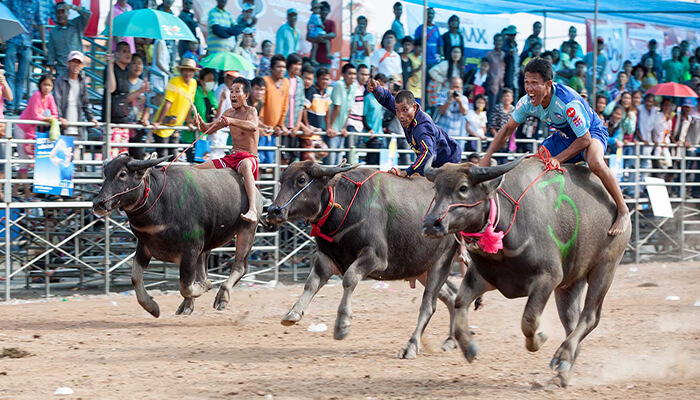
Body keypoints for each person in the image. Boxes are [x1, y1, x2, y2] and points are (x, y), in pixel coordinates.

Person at [482, 57, 630, 236]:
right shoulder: (526, 102)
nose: (529, 88)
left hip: (591, 132)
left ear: (548, 84)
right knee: (534, 164)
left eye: (535, 83)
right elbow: (507, 130)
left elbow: (584, 139)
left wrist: (557, 159)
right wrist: (487, 156)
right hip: (564, 135)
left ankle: (623, 210)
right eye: (526, 82)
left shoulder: (568, 103)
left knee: (595, 162)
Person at [366, 76, 461, 177]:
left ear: (414, 107)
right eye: (397, 111)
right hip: (431, 162)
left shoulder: (422, 127)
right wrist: (376, 89)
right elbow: (388, 98)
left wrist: (406, 172)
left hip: (448, 161)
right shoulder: (404, 113)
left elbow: (428, 154)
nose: (401, 116)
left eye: (405, 110)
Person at [195, 77, 260, 223]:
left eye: (237, 91)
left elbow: (253, 126)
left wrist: (230, 121)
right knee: (196, 169)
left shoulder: (251, 111)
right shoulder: (229, 112)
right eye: (231, 91)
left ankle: (252, 210)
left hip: (249, 157)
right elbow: (208, 130)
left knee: (245, 164)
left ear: (246, 95)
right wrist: (200, 123)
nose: (233, 95)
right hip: (231, 158)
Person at [15, 75, 58, 198]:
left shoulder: (49, 97)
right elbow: (35, 116)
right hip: (23, 129)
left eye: (49, 85)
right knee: (25, 161)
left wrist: (51, 118)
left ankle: (15, 189)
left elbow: (55, 112)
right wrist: (49, 118)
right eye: (44, 84)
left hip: (31, 131)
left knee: (27, 161)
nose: (46, 88)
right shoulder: (36, 95)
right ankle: (27, 192)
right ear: (40, 85)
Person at [152, 58, 199, 158]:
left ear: (193, 72)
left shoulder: (193, 84)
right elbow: (168, 102)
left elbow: (189, 104)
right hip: (164, 125)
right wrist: (158, 122)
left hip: (176, 126)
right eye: (185, 70)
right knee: (163, 158)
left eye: (190, 70)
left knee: (173, 157)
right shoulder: (174, 81)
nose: (187, 73)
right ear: (181, 71)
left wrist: (188, 121)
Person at [4, 0, 41, 114]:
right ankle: (10, 105)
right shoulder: (13, 1)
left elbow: (40, 22)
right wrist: (3, 37)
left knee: (22, 76)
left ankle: (17, 105)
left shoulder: (36, 3)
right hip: (12, 40)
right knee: (9, 74)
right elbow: (4, 15)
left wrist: (44, 44)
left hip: (27, 43)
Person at [53, 51, 98, 141]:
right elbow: (56, 101)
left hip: (77, 127)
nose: (76, 65)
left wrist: (91, 118)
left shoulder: (82, 83)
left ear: (82, 66)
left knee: (77, 153)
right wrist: (60, 117)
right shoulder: (60, 80)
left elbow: (85, 104)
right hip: (63, 126)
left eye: (79, 63)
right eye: (74, 62)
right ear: (68, 63)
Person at [181, 68, 218, 162]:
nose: (211, 82)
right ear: (201, 81)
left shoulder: (211, 94)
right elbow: (187, 106)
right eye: (208, 79)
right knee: (191, 165)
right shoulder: (195, 93)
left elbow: (215, 110)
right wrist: (189, 121)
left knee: (201, 164)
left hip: (204, 136)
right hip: (191, 136)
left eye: (212, 79)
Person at [46, 2, 92, 77]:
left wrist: (72, 7)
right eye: (58, 13)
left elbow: (87, 14)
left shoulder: (77, 24)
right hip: (61, 71)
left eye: (63, 12)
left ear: (67, 13)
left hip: (77, 69)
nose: (60, 15)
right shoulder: (53, 32)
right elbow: (51, 53)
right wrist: (50, 73)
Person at [327, 63, 358, 165]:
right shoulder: (339, 85)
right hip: (333, 127)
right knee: (331, 160)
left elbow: (349, 109)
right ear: (343, 74)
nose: (352, 76)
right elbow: (336, 107)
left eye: (354, 74)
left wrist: (344, 127)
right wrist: (330, 127)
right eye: (349, 73)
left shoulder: (353, 87)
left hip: (340, 129)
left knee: (338, 160)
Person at [261, 55, 290, 163]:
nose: (282, 69)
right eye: (279, 66)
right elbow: (261, 104)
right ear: (272, 68)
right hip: (263, 128)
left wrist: (280, 124)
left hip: (275, 130)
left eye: (284, 67)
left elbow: (284, 105)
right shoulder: (266, 81)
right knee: (259, 160)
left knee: (270, 160)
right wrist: (262, 123)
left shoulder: (286, 83)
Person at [303, 67, 333, 162]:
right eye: (323, 79)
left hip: (317, 134)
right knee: (309, 158)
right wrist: (307, 125)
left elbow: (327, 110)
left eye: (327, 79)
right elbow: (304, 108)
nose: (325, 82)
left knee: (324, 152)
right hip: (309, 134)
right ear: (318, 79)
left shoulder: (326, 93)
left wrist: (328, 127)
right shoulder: (311, 91)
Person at [126, 54, 152, 160]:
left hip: (138, 129)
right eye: (134, 63)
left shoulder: (144, 84)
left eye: (140, 63)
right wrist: (140, 91)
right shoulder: (124, 82)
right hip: (125, 127)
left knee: (137, 160)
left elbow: (148, 105)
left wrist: (145, 118)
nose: (137, 66)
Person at [103, 42, 133, 129]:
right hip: (111, 119)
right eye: (124, 51)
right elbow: (111, 88)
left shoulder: (127, 71)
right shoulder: (110, 68)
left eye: (129, 51)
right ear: (117, 54)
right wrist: (111, 65)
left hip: (123, 118)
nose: (128, 54)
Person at [436, 76, 469, 151]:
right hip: (444, 132)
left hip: (457, 134)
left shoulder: (464, 99)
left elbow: (464, 113)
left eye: (457, 87)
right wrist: (449, 100)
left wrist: (459, 102)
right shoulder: (443, 95)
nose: (455, 89)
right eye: (453, 87)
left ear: (461, 88)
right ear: (450, 86)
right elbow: (441, 111)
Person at [308, 1, 336, 68]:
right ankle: (313, 59)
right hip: (315, 59)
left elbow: (333, 35)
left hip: (326, 60)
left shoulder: (331, 23)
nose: (324, 12)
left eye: (326, 10)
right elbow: (308, 36)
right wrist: (316, 38)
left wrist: (323, 36)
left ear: (329, 11)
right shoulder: (314, 20)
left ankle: (328, 54)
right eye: (322, 10)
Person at [488, 88, 515, 155]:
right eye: (504, 96)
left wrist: (506, 137)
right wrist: (498, 138)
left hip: (508, 139)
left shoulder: (514, 110)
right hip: (496, 138)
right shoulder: (496, 108)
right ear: (501, 98)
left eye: (508, 96)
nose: (506, 98)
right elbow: (492, 125)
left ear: (512, 99)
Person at [0, 64, 13, 201]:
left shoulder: (2, 83)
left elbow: (10, 98)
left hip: (0, 126)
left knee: (2, 160)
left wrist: (4, 83)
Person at [485, 34, 505, 113]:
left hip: (501, 86)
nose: (498, 43)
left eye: (500, 41)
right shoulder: (489, 55)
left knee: (500, 110)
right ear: (494, 42)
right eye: (497, 41)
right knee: (491, 109)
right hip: (492, 86)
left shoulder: (504, 55)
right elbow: (486, 70)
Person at [501, 25, 518, 92]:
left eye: (514, 35)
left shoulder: (515, 45)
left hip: (515, 74)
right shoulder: (504, 45)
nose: (512, 36)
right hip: (508, 74)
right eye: (510, 35)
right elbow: (502, 57)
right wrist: (508, 54)